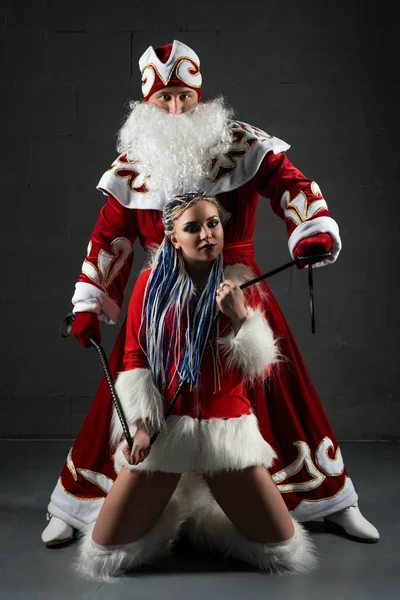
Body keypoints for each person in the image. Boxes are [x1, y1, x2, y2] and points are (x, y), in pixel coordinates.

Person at [42, 39, 379, 546]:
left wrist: (308, 230)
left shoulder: (239, 142)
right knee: (133, 399)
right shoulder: (133, 165)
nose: (176, 108)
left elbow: (291, 184)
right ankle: (80, 506)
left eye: (185, 97)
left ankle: (327, 500)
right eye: (165, 99)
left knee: (277, 390)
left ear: (199, 95)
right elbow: (108, 238)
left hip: (237, 289)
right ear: (146, 103)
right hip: (161, 306)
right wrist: (88, 304)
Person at [76, 192, 317, 580]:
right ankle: (173, 509)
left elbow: (259, 369)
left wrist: (240, 319)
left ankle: (205, 520)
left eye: (213, 224)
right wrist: (141, 426)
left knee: (281, 547)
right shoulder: (149, 286)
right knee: (106, 550)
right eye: (193, 228)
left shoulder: (240, 283)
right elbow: (136, 359)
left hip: (227, 432)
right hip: (166, 430)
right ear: (173, 237)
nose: (207, 235)